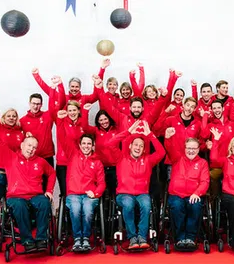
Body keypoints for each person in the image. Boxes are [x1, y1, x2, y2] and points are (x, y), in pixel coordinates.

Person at [0, 108, 56, 253]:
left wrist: (49, 190)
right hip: (16, 196)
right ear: (22, 145)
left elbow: (52, 173)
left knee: (44, 203)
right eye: (29, 146)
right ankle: (27, 240)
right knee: (20, 206)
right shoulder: (10, 157)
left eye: (34, 147)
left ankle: (42, 238)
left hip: (35, 195)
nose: (31, 149)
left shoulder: (41, 161)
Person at [109, 121, 166, 249]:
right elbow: (110, 144)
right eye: (136, 145)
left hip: (142, 194)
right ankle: (132, 237)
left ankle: (142, 236)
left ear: (144, 149)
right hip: (124, 194)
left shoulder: (148, 160)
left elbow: (161, 153)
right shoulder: (121, 157)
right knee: (128, 204)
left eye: (141, 146)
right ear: (130, 146)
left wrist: (150, 135)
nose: (138, 147)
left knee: (146, 205)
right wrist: (128, 132)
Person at [57, 110, 106, 252]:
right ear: (80, 145)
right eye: (83, 143)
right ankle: (78, 238)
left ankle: (86, 238)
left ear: (92, 146)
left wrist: (96, 193)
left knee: (88, 209)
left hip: (89, 195)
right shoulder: (73, 154)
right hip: (73, 194)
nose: (86, 146)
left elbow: (102, 183)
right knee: (76, 209)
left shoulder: (97, 162)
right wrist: (60, 121)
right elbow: (62, 137)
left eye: (88, 143)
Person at [0, 87, 24, 229]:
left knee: (13, 200)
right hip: (1, 172)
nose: (12, 118)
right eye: (9, 116)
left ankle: (10, 223)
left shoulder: (20, 133)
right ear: (4, 117)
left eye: (14, 116)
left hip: (15, 172)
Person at [164, 128, 209, 249]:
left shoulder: (203, 163)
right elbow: (169, 147)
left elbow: (205, 182)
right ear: (185, 149)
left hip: (193, 195)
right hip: (176, 194)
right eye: (189, 148)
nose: (191, 151)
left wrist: (197, 193)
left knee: (195, 206)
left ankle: (190, 237)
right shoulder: (177, 158)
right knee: (177, 206)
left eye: (194, 148)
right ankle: (179, 238)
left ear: (198, 149)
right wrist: (168, 137)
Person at [81, 103, 126, 198]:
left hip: (116, 166)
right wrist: (85, 111)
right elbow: (84, 127)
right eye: (100, 120)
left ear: (109, 119)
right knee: (102, 191)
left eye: (105, 119)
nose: (103, 122)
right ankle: (103, 211)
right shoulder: (96, 131)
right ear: (97, 121)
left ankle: (115, 209)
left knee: (115, 191)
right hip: (101, 167)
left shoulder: (117, 130)